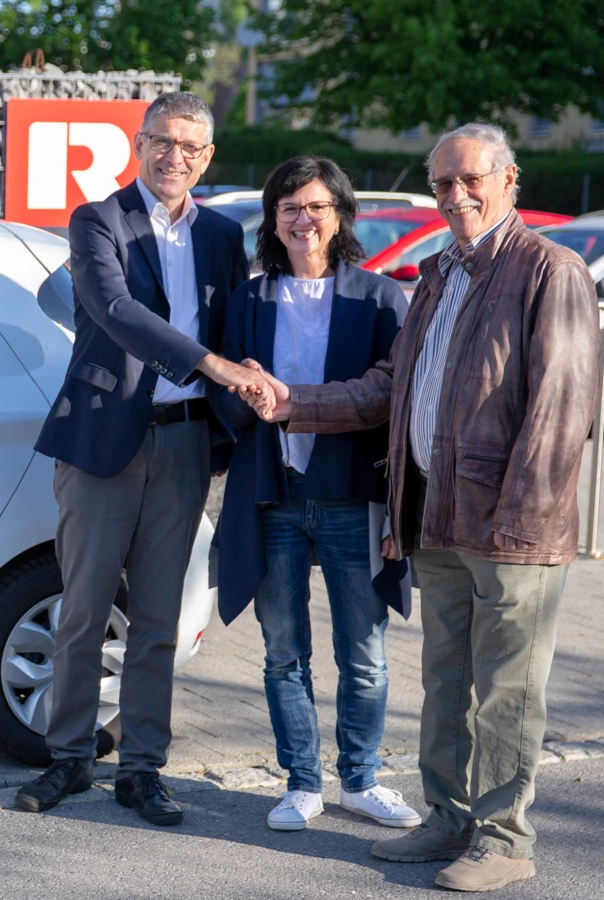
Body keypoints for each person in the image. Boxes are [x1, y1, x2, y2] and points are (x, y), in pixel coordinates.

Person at [246, 123, 598, 892]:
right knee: (445, 680)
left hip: (511, 530)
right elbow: (388, 391)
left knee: (508, 689)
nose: (455, 195)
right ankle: (448, 819)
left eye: (470, 179)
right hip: (437, 515)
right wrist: (290, 402)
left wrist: (521, 523)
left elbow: (563, 412)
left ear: (509, 179)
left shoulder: (550, 269)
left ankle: (505, 840)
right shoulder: (439, 274)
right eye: (442, 184)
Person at [20, 91, 262, 825]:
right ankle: (67, 757)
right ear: (139, 141)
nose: (174, 157)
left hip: (185, 441)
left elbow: (236, 317)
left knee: (158, 618)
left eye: (190, 148)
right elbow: (116, 311)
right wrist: (214, 366)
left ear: (207, 158)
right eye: (162, 141)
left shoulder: (222, 234)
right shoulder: (98, 220)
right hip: (103, 439)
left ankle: (143, 768)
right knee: (84, 611)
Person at [213, 156, 419, 833]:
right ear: (272, 221)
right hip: (272, 497)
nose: (303, 220)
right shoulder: (248, 300)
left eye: (316, 207)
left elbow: (396, 407)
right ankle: (301, 782)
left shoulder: (380, 298)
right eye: (289, 208)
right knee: (282, 649)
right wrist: (242, 392)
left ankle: (360, 780)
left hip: (352, 495)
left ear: (340, 216)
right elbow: (226, 406)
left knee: (363, 652)